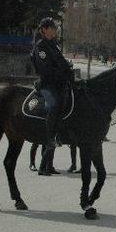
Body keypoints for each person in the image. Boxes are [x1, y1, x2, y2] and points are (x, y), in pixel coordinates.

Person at [30, 17, 74, 175]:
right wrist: (63, 72)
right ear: (44, 30)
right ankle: (43, 163)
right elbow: (46, 70)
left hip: (58, 84)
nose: (55, 30)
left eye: (55, 28)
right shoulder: (40, 47)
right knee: (53, 107)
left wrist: (68, 69)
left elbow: (61, 63)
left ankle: (49, 164)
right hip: (47, 85)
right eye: (52, 28)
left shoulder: (53, 46)